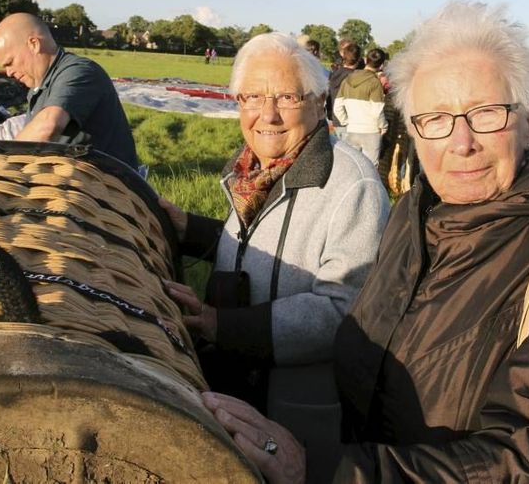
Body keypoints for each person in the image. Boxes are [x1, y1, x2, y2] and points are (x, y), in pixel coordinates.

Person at [203, 1, 529, 484]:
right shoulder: (414, 214)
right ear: (412, 130)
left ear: (528, 118)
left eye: (487, 113)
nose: (461, 142)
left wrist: (321, 468)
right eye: (435, 118)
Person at [160, 32, 390, 483]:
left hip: (293, 407)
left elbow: (342, 308)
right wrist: (192, 229)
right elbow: (258, 247)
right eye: (252, 97)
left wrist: (218, 323)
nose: (267, 114)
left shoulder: (351, 185)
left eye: (285, 96)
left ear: (319, 101)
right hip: (239, 386)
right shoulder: (253, 168)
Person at [0, 13, 139, 168]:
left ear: (34, 44)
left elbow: (48, 126)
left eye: (10, 63)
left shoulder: (79, 71)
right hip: (76, 174)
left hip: (107, 183)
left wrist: (3, 165)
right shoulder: (38, 87)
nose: (8, 72)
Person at [333, 47, 388, 166]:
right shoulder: (374, 82)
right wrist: (383, 126)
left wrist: (346, 121)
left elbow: (337, 106)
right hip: (371, 131)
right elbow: (377, 110)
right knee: (370, 168)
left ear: (365, 60)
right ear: (382, 65)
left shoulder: (347, 80)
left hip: (352, 129)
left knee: (352, 166)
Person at [327, 40, 360, 137]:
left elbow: (329, 95)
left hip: (334, 119)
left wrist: (329, 112)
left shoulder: (334, 74)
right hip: (348, 121)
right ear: (358, 58)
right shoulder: (354, 77)